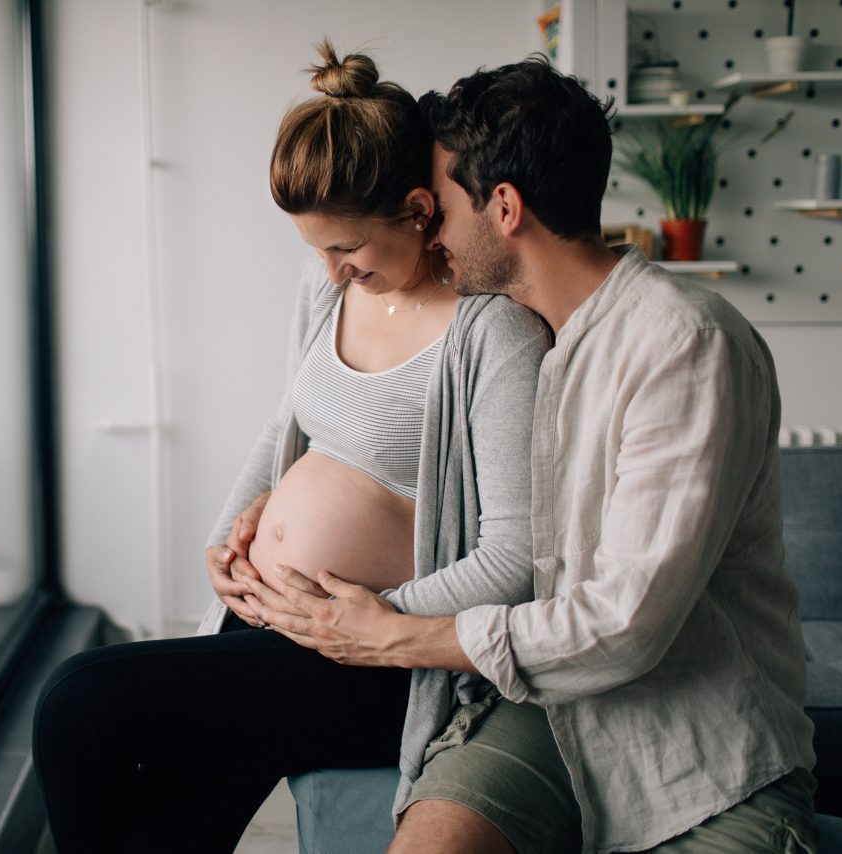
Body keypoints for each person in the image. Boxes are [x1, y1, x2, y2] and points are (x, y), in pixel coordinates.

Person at [245, 56, 818, 853]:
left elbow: (624, 627)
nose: (428, 229)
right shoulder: (526, 338)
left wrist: (389, 635)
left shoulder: (681, 343)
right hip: (535, 714)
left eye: (438, 207)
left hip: (691, 744)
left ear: (504, 207)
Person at [33, 43, 551, 853]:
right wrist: (227, 533)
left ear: (419, 209)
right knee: (168, 823)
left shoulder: (492, 334)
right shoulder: (326, 290)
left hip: (377, 662)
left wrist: (360, 620)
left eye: (348, 248)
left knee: (77, 704)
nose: (332, 270)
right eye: (316, 249)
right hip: (279, 623)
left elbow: (513, 557)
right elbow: (289, 424)